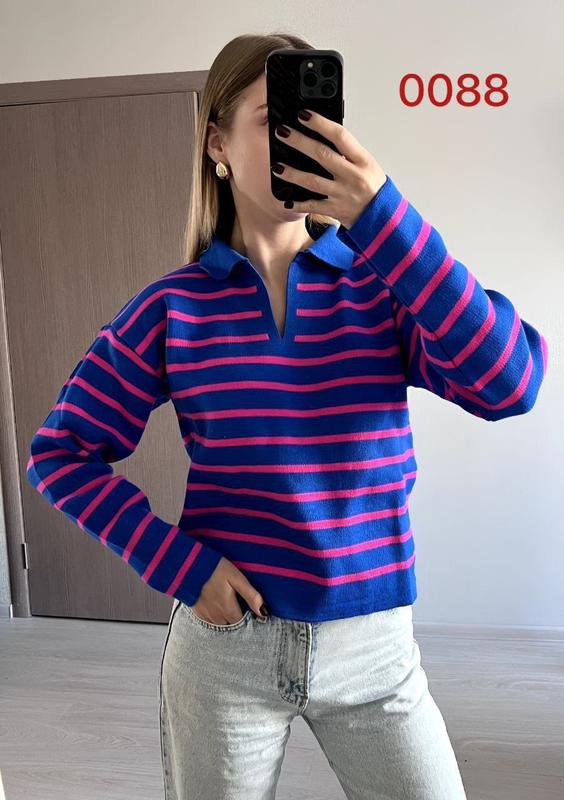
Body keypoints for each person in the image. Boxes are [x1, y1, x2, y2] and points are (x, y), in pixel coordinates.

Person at [27, 31, 548, 800]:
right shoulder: (172, 308)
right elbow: (60, 453)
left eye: (314, 121)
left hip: (376, 655)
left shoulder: (383, 283)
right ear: (217, 144)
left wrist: (385, 217)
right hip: (225, 653)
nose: (300, 140)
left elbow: (510, 382)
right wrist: (179, 565)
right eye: (275, 120)